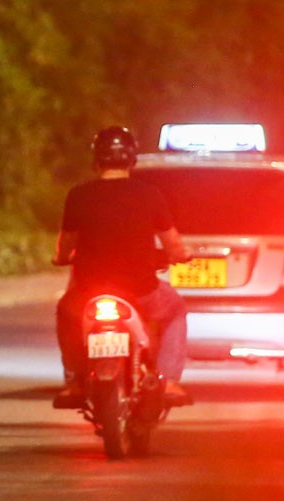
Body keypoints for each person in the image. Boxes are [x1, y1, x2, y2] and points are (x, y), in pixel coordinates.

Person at [53, 125, 193, 408]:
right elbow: (173, 245)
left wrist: (61, 258)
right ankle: (169, 381)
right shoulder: (150, 194)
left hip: (88, 292)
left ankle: (75, 382)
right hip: (141, 290)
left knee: (66, 313)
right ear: (131, 158)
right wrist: (181, 255)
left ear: (97, 160)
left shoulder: (78, 195)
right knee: (175, 309)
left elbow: (65, 244)